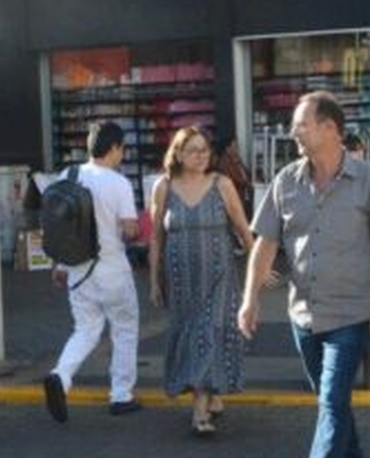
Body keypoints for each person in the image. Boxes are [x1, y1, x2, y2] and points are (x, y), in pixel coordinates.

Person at [239, 90, 370, 458]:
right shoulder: (286, 181)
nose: (295, 131)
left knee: (331, 400)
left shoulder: (369, 181)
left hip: (350, 315)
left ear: (330, 129)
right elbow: (265, 246)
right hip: (302, 316)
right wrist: (249, 298)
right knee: (331, 401)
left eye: (302, 124)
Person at [149, 127, 254, 435]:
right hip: (181, 278)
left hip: (219, 274)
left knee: (210, 331)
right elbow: (156, 237)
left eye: (204, 150)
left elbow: (241, 226)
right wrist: (155, 280)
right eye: (193, 150)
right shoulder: (163, 187)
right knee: (192, 333)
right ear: (178, 153)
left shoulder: (221, 184)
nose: (200, 156)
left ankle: (200, 411)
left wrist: (258, 264)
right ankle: (213, 393)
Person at [43, 120, 144, 422]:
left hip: (76, 269)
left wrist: (59, 265)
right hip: (112, 269)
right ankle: (121, 395)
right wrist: (138, 229)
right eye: (122, 149)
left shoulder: (68, 175)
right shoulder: (118, 183)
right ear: (114, 148)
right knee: (125, 330)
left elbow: (62, 227)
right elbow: (129, 230)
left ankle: (61, 376)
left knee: (86, 329)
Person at [212, 132, 255, 228]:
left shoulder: (236, 159)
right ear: (228, 148)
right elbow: (233, 179)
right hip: (236, 197)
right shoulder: (224, 162)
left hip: (243, 197)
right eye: (235, 145)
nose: (237, 147)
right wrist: (247, 183)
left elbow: (245, 173)